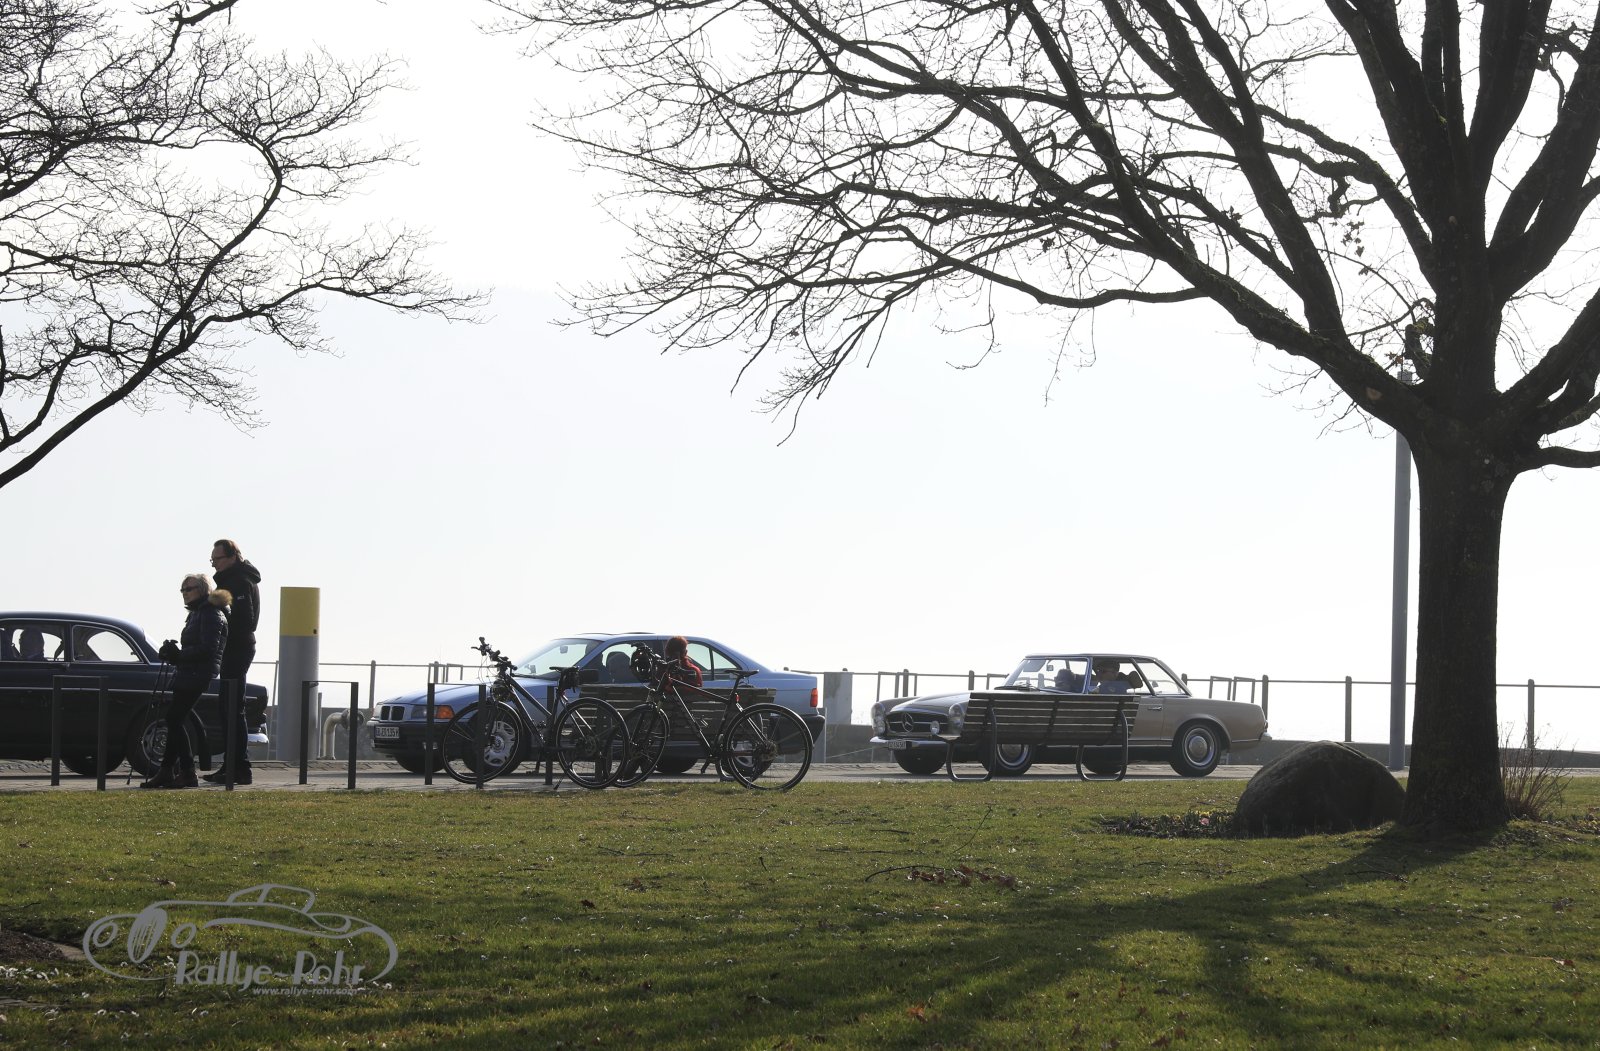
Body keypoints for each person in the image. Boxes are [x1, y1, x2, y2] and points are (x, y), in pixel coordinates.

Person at [143, 574, 230, 790]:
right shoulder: (198, 612)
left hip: (198, 674)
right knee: (174, 719)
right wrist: (173, 653)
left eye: (188, 589)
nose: (184, 593)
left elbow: (208, 649)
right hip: (189, 672)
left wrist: (178, 655)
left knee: (174, 719)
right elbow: (196, 647)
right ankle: (168, 770)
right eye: (182, 590)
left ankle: (187, 771)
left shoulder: (210, 613)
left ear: (202, 589)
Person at [205, 539, 261, 785]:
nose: (214, 564)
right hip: (234, 647)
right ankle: (232, 766)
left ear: (232, 557)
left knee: (233, 709)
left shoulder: (239, 581)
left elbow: (246, 621)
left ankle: (239, 768)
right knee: (229, 708)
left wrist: (222, 617)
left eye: (217, 559)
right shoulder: (234, 579)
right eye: (212, 559)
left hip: (237, 648)